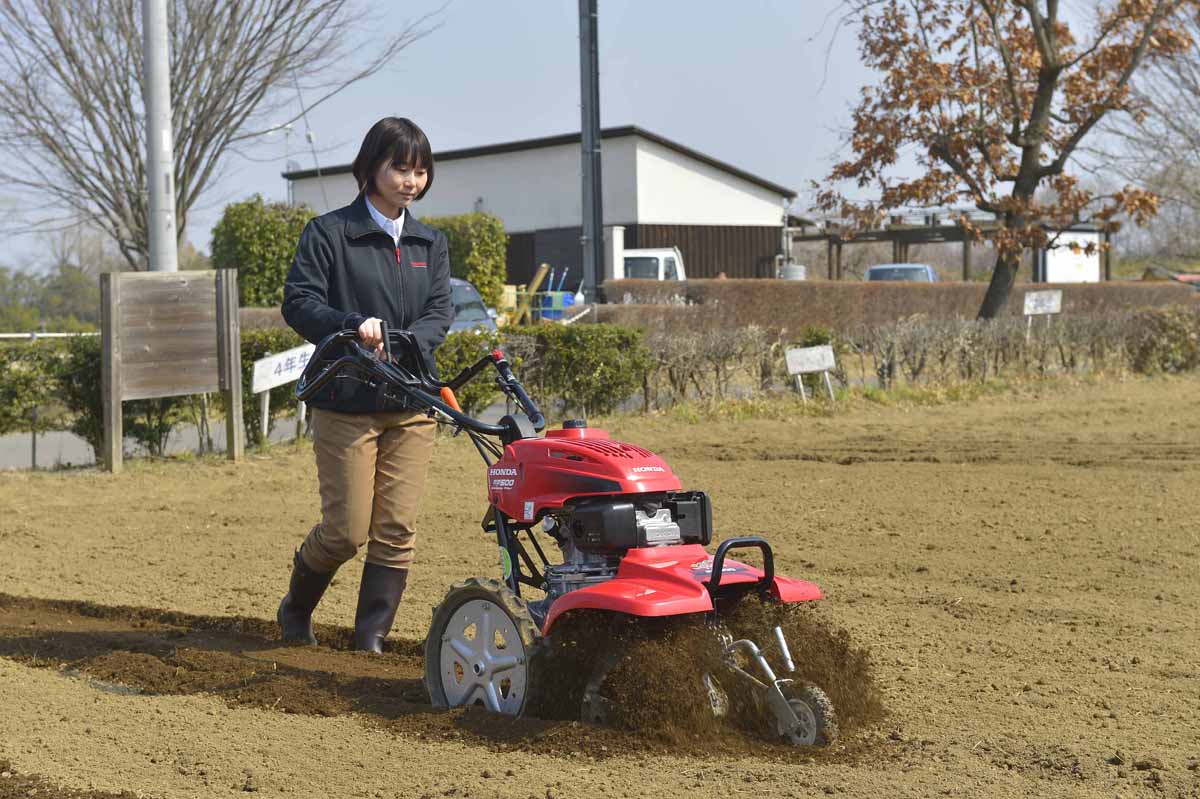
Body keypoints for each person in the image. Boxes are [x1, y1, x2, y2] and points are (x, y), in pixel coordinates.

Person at [277, 117, 452, 652]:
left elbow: (440, 312)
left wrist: (402, 342)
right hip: (346, 399)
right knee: (346, 532)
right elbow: (299, 303)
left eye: (420, 171)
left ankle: (369, 640)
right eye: (400, 167)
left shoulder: (430, 240)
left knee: (397, 529)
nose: (411, 180)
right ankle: (296, 608)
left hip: (411, 400)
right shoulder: (329, 233)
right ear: (370, 167)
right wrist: (353, 325)